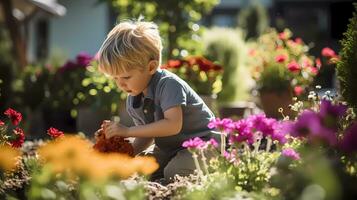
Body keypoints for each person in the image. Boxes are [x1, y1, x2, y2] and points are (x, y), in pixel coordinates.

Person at [96, 20, 219, 183]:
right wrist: (127, 154)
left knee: (174, 172)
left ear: (151, 67)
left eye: (126, 77)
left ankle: (216, 166)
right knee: (143, 169)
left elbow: (173, 125)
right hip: (172, 149)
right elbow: (147, 133)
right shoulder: (134, 97)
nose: (121, 83)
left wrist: (127, 131)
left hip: (203, 143)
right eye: (115, 78)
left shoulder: (169, 85)